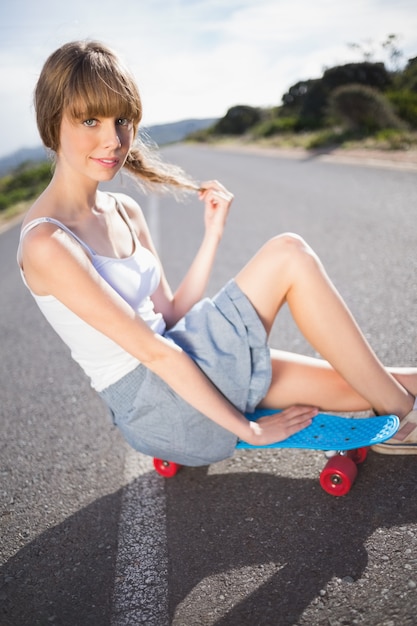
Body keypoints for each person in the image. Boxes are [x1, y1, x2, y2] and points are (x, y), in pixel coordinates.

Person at [17, 40, 417, 467]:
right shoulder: (48, 243)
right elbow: (153, 351)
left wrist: (213, 234)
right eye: (90, 120)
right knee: (288, 254)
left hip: (188, 357)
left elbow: (169, 316)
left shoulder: (124, 210)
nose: (113, 140)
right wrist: (250, 430)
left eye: (122, 120)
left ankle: (399, 399)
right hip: (161, 406)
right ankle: (406, 419)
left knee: (371, 381)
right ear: (51, 123)